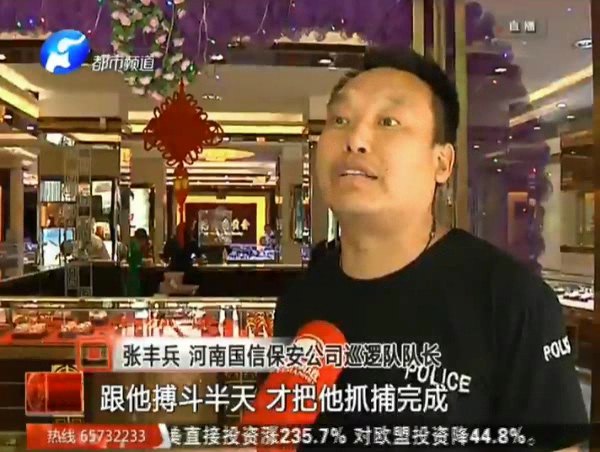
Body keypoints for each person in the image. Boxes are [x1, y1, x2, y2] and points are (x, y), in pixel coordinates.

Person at [273, 48, 587, 450]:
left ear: (442, 162)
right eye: (340, 120)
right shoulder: (301, 301)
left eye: (388, 121)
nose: (355, 139)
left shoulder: (511, 302)